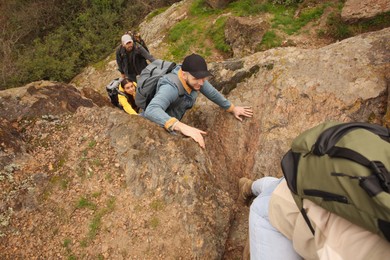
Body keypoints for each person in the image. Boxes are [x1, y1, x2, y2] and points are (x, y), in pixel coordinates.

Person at [238, 176, 390, 259]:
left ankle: (248, 186)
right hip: (273, 215)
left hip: (304, 182)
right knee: (274, 200)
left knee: (280, 189)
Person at [143, 53, 253, 148]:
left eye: (203, 78)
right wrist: (181, 127)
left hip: (171, 123)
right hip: (154, 124)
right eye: (196, 78)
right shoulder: (170, 88)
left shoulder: (195, 79)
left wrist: (232, 108)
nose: (201, 83)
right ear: (184, 75)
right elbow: (152, 109)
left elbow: (212, 93)